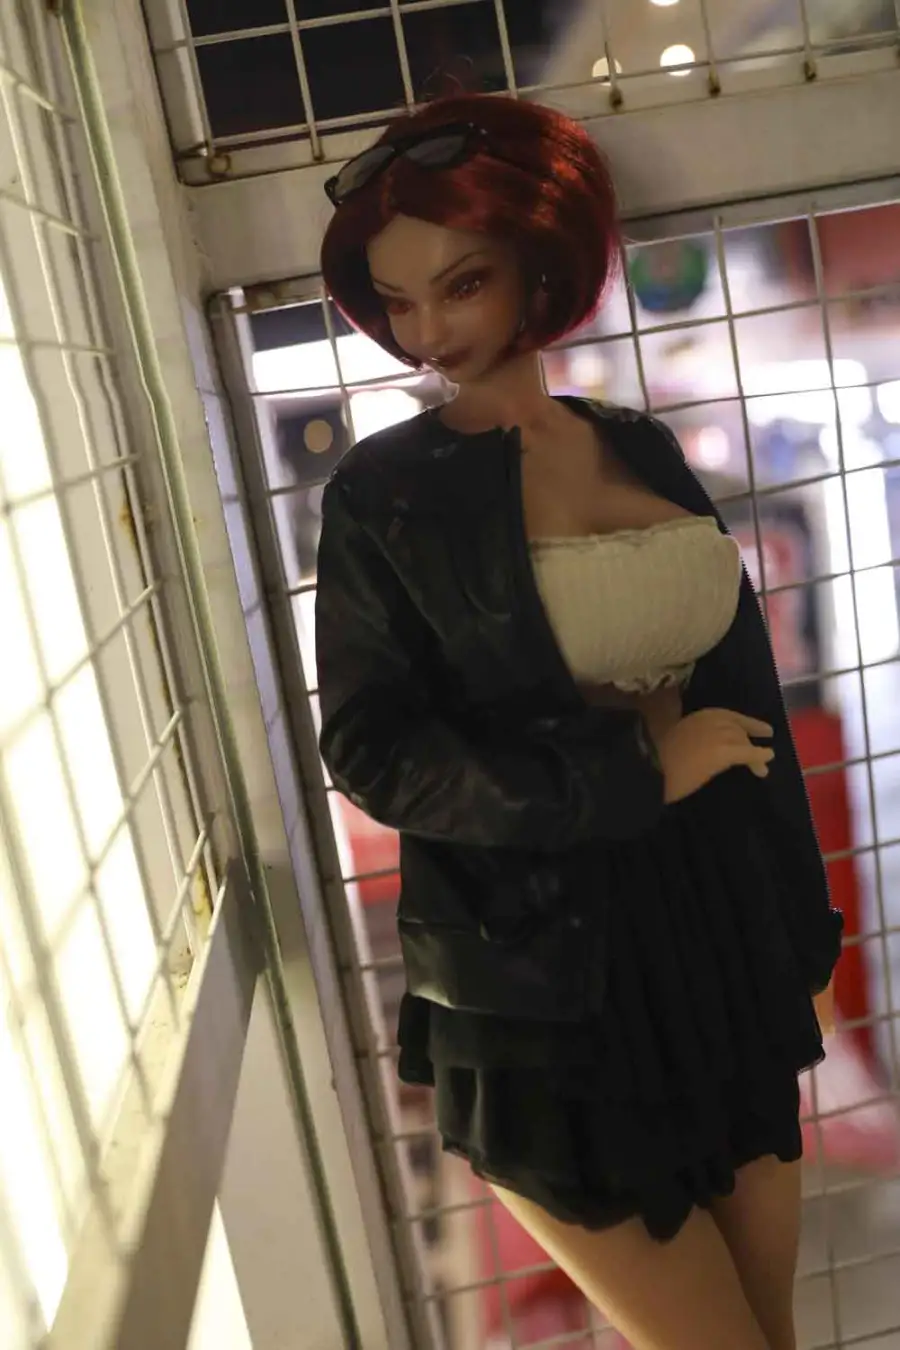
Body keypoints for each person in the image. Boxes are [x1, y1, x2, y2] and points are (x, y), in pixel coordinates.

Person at [315, 92, 843, 1350]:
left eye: (462, 283)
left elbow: (743, 698)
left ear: (539, 261)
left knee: (769, 1332)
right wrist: (629, 773)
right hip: (540, 981)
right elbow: (373, 749)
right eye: (399, 302)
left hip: (716, 937)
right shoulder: (386, 492)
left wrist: (794, 924)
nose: (430, 331)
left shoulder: (639, 446)